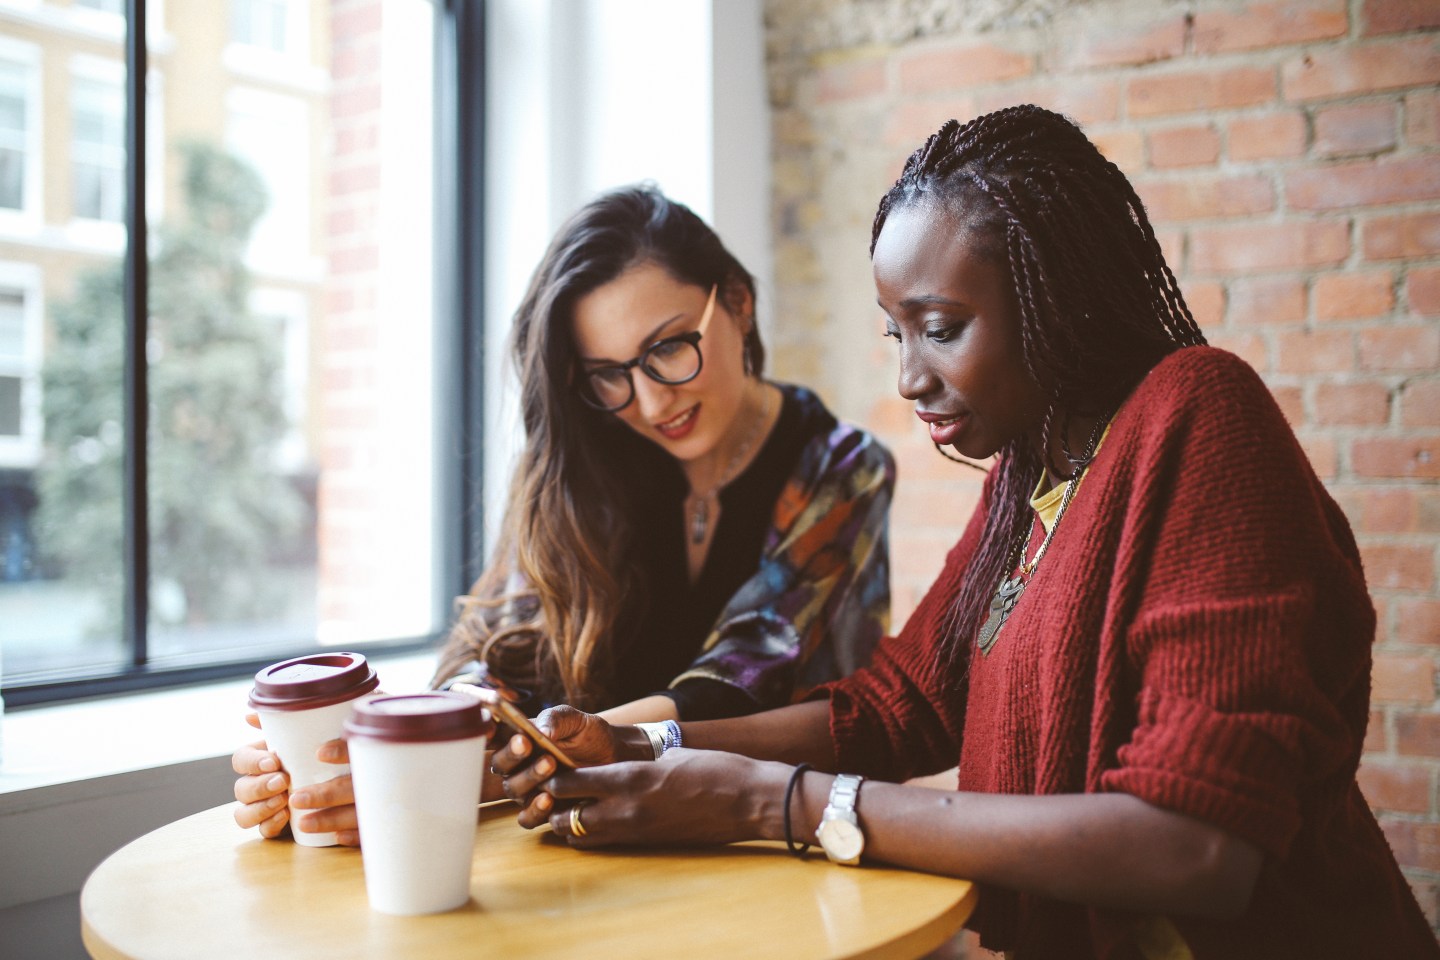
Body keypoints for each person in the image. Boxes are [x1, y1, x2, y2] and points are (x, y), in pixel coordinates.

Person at [492, 107, 1440, 958]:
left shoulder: (1200, 418)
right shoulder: (1031, 473)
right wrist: (652, 750)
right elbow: (900, 707)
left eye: (940, 327)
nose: (909, 377)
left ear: (1051, 295)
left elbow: (1197, 846)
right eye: (895, 333)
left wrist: (767, 802)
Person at [230, 185, 894, 845]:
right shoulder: (586, 462)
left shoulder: (841, 469)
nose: (650, 402)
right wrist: (372, 759)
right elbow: (503, 648)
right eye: (608, 373)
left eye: (668, 348)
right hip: (589, 844)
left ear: (739, 303)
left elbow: (741, 678)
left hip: (773, 846)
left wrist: (475, 771)